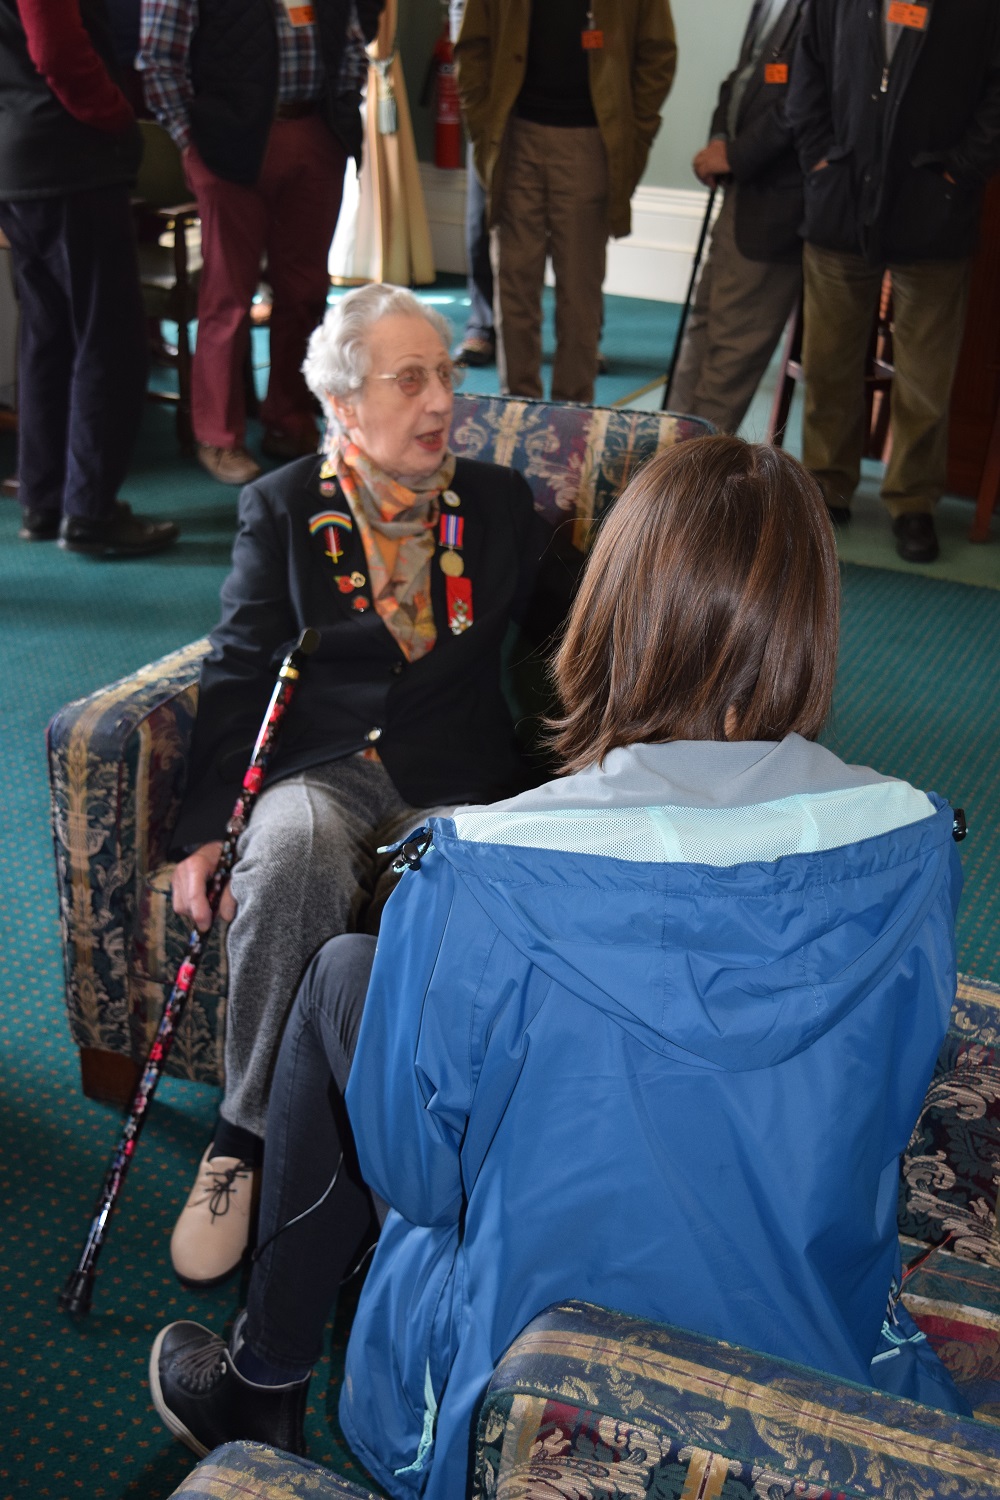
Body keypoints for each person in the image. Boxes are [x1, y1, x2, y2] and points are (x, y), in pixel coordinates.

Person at [150, 435, 970, 1498]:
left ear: (613, 609)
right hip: (803, 1329)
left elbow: (415, 1178)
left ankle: (266, 1377)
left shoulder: (486, 867)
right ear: (811, 620)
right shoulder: (911, 838)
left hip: (537, 1369)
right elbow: (892, 1103)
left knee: (346, 977)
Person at [166, 282, 547, 1289]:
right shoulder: (285, 506)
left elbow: (567, 644)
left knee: (459, 889)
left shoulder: (499, 505)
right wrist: (202, 831)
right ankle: (242, 1139)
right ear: (345, 404)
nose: (439, 403)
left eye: (447, 376)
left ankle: (409, 1167)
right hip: (319, 766)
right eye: (410, 379)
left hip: (455, 777)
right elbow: (241, 664)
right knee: (288, 853)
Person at [785, 0, 1000, 564]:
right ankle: (826, 489)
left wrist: (961, 170)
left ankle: (912, 503)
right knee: (829, 365)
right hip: (839, 209)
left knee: (926, 379)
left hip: (934, 215)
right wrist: (819, 161)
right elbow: (804, 77)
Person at [138, 0, 383, 486]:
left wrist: (338, 118)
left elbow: (353, 43)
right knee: (227, 297)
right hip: (227, 145)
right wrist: (190, 144)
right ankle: (218, 436)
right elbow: (157, 61)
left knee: (305, 289)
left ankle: (289, 419)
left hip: (316, 135)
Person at [0, 0, 179, 557]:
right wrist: (116, 116)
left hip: (19, 155)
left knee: (47, 338)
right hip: (69, 158)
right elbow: (57, 50)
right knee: (108, 340)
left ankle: (46, 501)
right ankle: (89, 515)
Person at [455, 0, 676, 404]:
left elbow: (657, 56)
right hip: (515, 136)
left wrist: (636, 132)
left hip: (590, 142)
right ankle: (517, 409)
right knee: (514, 285)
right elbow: (473, 47)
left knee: (580, 292)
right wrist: (483, 122)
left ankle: (575, 417)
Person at [667, 0, 806, 432]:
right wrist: (718, 140)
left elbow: (802, 105)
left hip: (778, 205)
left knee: (730, 357)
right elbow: (739, 80)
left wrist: (735, 154)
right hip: (738, 195)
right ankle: (664, 456)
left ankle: (698, 479)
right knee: (702, 328)